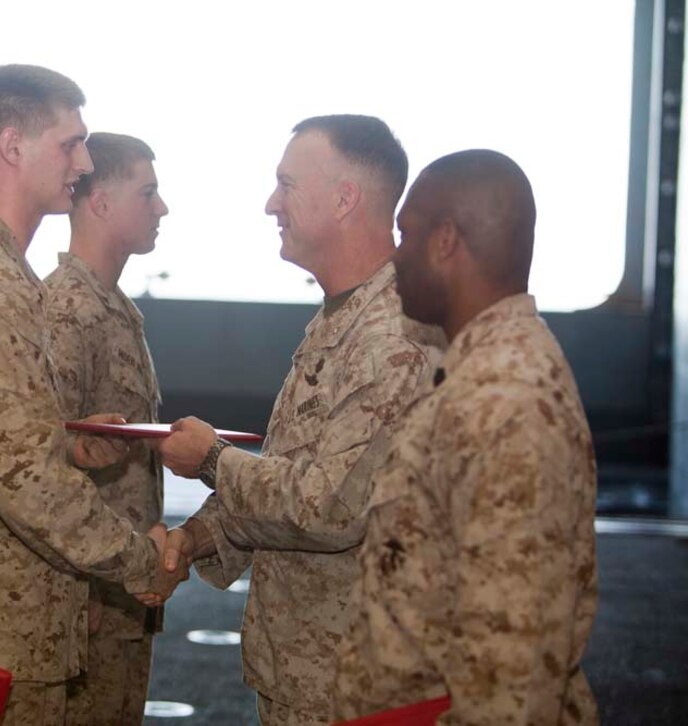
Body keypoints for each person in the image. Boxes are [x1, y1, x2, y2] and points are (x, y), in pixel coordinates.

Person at [156, 115, 444, 723]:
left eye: (287, 185)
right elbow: (293, 472)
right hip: (310, 673)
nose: (270, 204)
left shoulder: (393, 336)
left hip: (358, 689)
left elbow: (328, 506)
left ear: (345, 199)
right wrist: (194, 539)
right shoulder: (344, 317)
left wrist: (211, 459)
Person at [0, 64, 180, 724]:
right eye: (70, 144)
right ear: (12, 146)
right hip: (2, 632)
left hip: (26, 626)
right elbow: (23, 480)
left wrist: (68, 442)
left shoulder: (9, 275)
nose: (85, 160)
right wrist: (139, 558)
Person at [334, 149, 598, 725]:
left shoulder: (507, 401)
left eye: (405, 234)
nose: (394, 255)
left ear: (446, 240)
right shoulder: (478, 375)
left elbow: (513, 676)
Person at [45, 132, 169, 724]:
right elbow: (46, 464)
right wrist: (78, 587)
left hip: (120, 596)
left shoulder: (112, 305)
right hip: (90, 599)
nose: (161, 207)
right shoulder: (69, 309)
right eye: (147, 193)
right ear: (99, 203)